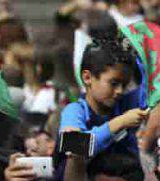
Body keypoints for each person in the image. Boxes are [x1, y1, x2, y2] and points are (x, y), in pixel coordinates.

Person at [60, 30, 147, 160]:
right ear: (87, 77)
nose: (119, 91)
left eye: (124, 85)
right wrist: (120, 122)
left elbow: (152, 89)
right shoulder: (75, 111)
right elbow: (72, 145)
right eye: (113, 83)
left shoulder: (125, 104)